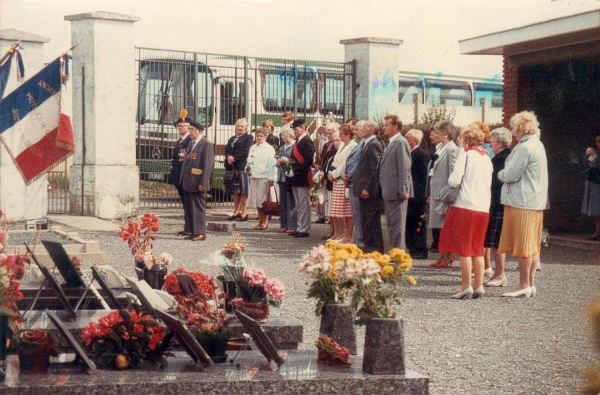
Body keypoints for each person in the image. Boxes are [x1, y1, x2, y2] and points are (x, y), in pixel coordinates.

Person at [498, 111, 548, 298]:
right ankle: (530, 284)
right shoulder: (537, 144)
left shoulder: (525, 147)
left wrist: (500, 174)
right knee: (531, 244)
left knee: (525, 245)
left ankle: (523, 284)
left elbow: (511, 174)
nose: (512, 131)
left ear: (521, 127)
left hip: (522, 201)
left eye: (513, 127)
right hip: (532, 200)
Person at [439, 125, 493, 299]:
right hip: (483, 207)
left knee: (464, 249)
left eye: (461, 138)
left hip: (465, 205)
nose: (459, 141)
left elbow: (454, 180)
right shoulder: (487, 158)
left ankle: (465, 286)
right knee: (478, 249)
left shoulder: (466, 154)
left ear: (467, 140)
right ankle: (479, 285)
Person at [484, 127, 513, 287]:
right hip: (500, 202)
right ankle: (498, 272)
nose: (490, 143)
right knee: (496, 242)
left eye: (492, 141)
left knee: (497, 242)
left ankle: (500, 274)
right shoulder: (505, 156)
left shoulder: (501, 159)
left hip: (498, 203)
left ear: (500, 142)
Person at [379, 115, 413, 251]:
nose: (384, 128)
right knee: (391, 224)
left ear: (395, 127)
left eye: (387, 125)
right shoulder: (390, 142)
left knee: (398, 225)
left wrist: (404, 189)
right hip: (389, 190)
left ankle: (399, 254)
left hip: (397, 192)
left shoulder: (400, 142)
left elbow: (404, 167)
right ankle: (394, 251)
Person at [428, 120, 458, 267]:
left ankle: (448, 255)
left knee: (446, 227)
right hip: (437, 193)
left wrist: (450, 196)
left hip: (445, 195)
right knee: (440, 227)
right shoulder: (440, 148)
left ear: (446, 134)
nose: (436, 135)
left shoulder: (452, 149)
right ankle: (442, 254)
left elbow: (453, 174)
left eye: (438, 132)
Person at [180, 120, 214, 241]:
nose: (190, 132)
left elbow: (208, 165)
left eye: (192, 130)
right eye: (189, 130)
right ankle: (192, 230)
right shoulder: (191, 143)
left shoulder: (206, 144)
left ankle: (200, 232)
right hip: (188, 180)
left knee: (198, 207)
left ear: (199, 131)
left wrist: (204, 182)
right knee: (190, 207)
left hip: (197, 181)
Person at [353, 121, 384, 253]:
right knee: (366, 220)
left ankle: (374, 249)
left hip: (370, 191)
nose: (362, 129)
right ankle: (369, 247)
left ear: (371, 130)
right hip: (362, 189)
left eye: (365, 127)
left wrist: (368, 188)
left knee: (371, 221)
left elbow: (375, 170)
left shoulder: (374, 145)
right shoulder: (368, 143)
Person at [327, 125, 357, 242]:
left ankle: (347, 235)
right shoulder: (342, 146)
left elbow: (346, 163)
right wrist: (330, 173)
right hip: (336, 181)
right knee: (336, 211)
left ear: (348, 134)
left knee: (346, 211)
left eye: (341, 134)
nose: (339, 136)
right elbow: (335, 161)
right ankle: (338, 234)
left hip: (343, 180)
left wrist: (334, 174)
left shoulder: (353, 146)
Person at [286, 119, 315, 237]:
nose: (294, 131)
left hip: (302, 177)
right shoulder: (298, 141)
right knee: (299, 204)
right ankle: (300, 226)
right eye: (294, 129)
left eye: (296, 129)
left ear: (303, 128)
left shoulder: (307, 141)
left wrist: (295, 170)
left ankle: (304, 229)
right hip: (296, 177)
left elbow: (308, 160)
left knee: (304, 205)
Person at [246, 128, 277, 230]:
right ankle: (260, 221)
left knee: (263, 201)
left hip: (264, 177)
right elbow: (249, 160)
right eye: (257, 136)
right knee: (257, 201)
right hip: (254, 176)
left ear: (265, 137)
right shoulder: (253, 147)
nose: (258, 138)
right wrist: (247, 168)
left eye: (261, 136)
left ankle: (265, 221)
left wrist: (271, 177)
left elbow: (272, 164)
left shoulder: (269, 148)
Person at [405, 129, 429, 259]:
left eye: (407, 138)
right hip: (410, 194)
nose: (405, 140)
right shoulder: (409, 153)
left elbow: (424, 176)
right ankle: (412, 247)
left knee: (418, 222)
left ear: (414, 140)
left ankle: (420, 249)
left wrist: (423, 195)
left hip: (418, 194)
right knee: (410, 222)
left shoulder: (421, 154)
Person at [224, 118, 254, 222]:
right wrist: (228, 156)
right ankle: (236, 211)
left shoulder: (249, 138)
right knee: (234, 190)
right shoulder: (232, 138)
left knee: (243, 190)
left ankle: (244, 212)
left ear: (246, 127)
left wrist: (234, 157)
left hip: (242, 166)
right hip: (232, 167)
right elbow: (227, 149)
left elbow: (246, 152)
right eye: (238, 126)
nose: (239, 128)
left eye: (241, 126)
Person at [343, 121, 366, 247]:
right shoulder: (358, 143)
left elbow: (358, 163)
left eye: (357, 129)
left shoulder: (363, 144)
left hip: (356, 181)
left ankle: (361, 239)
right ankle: (359, 238)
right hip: (351, 181)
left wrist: (348, 175)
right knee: (355, 213)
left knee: (358, 213)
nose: (355, 132)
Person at [170, 110, 192, 221]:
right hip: (178, 174)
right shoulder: (180, 140)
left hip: (185, 175)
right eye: (179, 126)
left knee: (188, 202)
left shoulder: (190, 140)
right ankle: (187, 226)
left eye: (183, 126)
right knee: (184, 202)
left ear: (189, 128)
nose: (180, 128)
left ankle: (190, 226)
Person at [317, 123, 338, 231]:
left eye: (331, 132)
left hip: (333, 178)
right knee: (327, 202)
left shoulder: (337, 145)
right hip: (325, 176)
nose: (328, 135)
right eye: (327, 133)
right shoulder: (326, 145)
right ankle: (331, 229)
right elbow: (323, 159)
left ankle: (334, 229)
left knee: (334, 206)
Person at [277, 127, 298, 233]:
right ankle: (284, 224)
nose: (283, 137)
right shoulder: (281, 148)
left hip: (290, 176)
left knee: (292, 201)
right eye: (282, 135)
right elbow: (277, 159)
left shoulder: (295, 146)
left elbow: (296, 160)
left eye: (285, 135)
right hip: (281, 175)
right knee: (283, 201)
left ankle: (292, 224)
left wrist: (286, 160)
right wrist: (278, 162)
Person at [582, 133, 600, 240]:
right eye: (596, 141)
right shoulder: (596, 155)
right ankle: (597, 231)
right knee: (595, 209)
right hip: (594, 184)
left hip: (598, 185)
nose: (597, 144)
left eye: (599, 141)